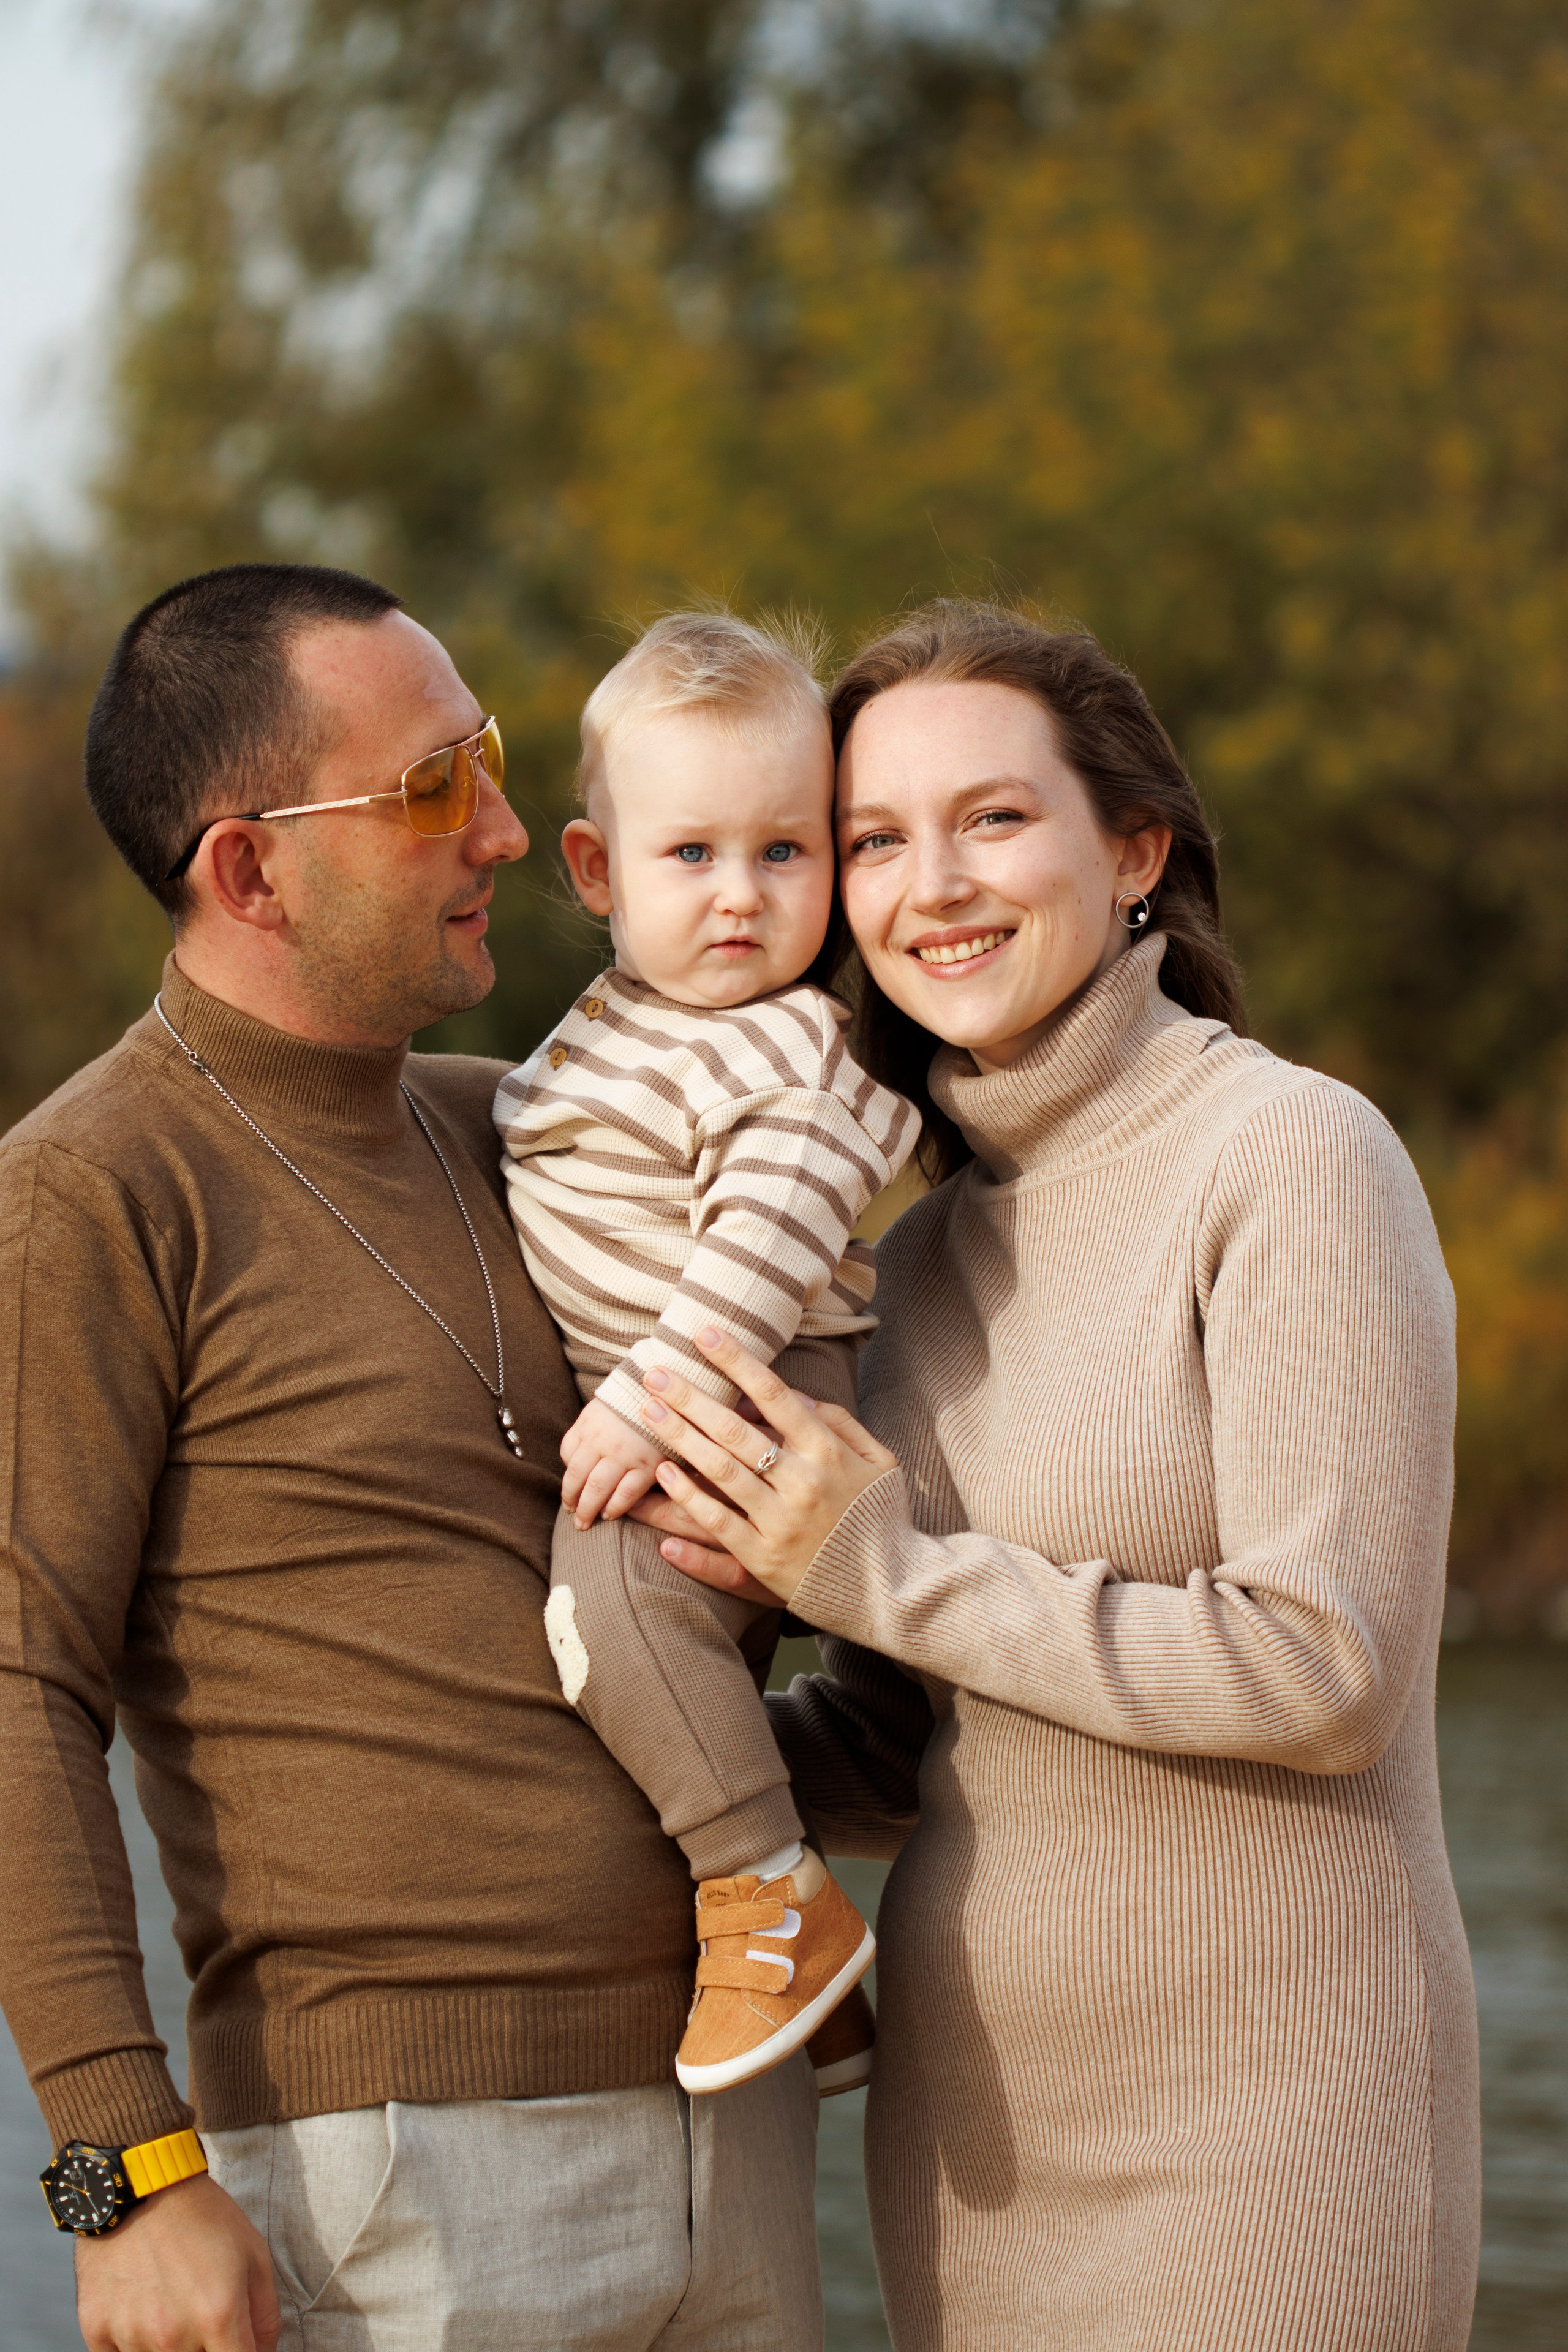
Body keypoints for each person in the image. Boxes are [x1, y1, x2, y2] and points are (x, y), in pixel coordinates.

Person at [631, 603, 1483, 2350]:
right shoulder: (913, 1255)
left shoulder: (1290, 1154)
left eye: (993, 819)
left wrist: (876, 1569)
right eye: (874, 839)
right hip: (978, 2153)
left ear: (1138, 852)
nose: (930, 885)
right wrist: (619, 1752)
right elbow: (908, 1731)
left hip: (1270, 2156)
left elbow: (1326, 1668)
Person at [0, 564, 823, 2352]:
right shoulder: (93, 1189)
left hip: (737, 2103)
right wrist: (120, 2177)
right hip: (404, 2172)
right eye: (436, 787)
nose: (516, 835)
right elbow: (16, 1685)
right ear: (250, 871)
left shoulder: (528, 1130)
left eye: (496, 761)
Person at [495, 612, 916, 2096]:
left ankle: (768, 1900)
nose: (739, 899)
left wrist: (649, 1401)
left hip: (739, 1393)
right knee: (623, 1676)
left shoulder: (795, 1053)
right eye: (691, 858)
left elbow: (763, 1242)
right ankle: (827, 1997)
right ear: (597, 871)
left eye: (783, 854)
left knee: (612, 1602)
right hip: (675, 1389)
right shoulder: (615, 1028)